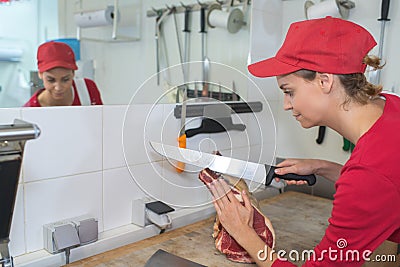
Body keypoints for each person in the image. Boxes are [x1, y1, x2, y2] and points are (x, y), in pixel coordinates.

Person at [207, 16, 400, 266]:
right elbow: (386, 186)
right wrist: (322, 167)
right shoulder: (390, 105)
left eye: (289, 91)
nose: (287, 105)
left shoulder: (369, 172)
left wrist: (244, 234)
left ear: (324, 81)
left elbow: (372, 180)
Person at [23, 41, 103, 107]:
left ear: (73, 73)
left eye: (65, 80)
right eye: (51, 80)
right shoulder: (30, 110)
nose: (58, 88)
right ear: (40, 74)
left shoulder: (87, 90)